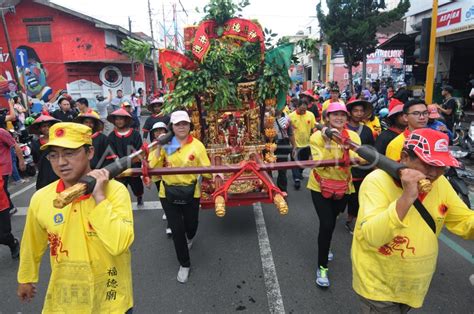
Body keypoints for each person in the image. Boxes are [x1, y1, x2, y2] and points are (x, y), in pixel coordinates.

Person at [352, 128, 474, 312]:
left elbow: (464, 221)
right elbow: (372, 235)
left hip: (414, 285)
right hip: (378, 284)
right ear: (405, 157)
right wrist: (407, 197)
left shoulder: (440, 183)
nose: (434, 173)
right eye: (428, 164)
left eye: (441, 166)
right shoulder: (376, 181)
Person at [17, 122, 134, 313]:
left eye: (69, 153)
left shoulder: (115, 191)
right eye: (54, 155)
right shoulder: (41, 198)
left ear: (89, 152)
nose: (61, 162)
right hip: (67, 302)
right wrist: (26, 278)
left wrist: (99, 197)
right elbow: (31, 243)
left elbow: (119, 243)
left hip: (111, 301)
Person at [149, 110, 211, 283]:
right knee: (177, 230)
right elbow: (152, 165)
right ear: (172, 127)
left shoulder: (197, 145)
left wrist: (217, 175)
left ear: (190, 125)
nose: (182, 126)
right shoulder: (169, 144)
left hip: (191, 192)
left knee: (191, 226)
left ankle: (190, 238)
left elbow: (207, 170)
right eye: (178, 124)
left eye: (185, 123)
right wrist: (157, 148)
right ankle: (184, 264)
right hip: (168, 193)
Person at [307, 102, 361, 288]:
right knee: (327, 223)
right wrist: (329, 143)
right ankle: (322, 267)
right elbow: (320, 162)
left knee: (335, 216)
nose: (339, 118)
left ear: (347, 118)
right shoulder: (316, 136)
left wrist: (348, 154)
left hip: (344, 186)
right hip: (319, 185)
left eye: (343, 115)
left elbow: (358, 159)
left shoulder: (352, 136)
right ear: (327, 118)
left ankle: (327, 243)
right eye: (334, 114)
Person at [345, 99, 374, 234]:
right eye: (355, 110)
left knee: (357, 197)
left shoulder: (368, 131)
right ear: (349, 113)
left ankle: (353, 219)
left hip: (362, 170)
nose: (358, 113)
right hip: (344, 169)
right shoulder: (341, 128)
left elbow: (372, 150)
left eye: (361, 111)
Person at [107, 108, 144, 206]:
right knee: (120, 186)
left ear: (126, 120)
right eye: (117, 119)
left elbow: (139, 149)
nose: (119, 121)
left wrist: (133, 161)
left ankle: (139, 196)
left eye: (121, 119)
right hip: (119, 166)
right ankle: (123, 202)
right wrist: (118, 162)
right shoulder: (111, 136)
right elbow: (111, 150)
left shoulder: (135, 134)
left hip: (133, 165)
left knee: (137, 185)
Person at [147, 121, 172, 236]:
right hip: (158, 176)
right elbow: (151, 164)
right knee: (163, 196)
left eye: (162, 130)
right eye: (156, 131)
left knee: (170, 197)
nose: (159, 133)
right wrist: (158, 147)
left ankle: (171, 222)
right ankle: (167, 212)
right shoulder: (152, 146)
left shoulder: (173, 143)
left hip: (170, 176)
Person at [288, 99, 316, 190]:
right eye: (301, 110)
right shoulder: (291, 116)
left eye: (305, 110)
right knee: (295, 162)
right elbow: (288, 131)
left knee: (303, 162)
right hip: (295, 144)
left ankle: (299, 173)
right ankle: (296, 179)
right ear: (297, 107)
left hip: (307, 144)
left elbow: (313, 129)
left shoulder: (310, 115)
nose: (303, 111)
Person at [29, 115, 61, 190]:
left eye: (49, 126)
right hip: (45, 175)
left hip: (60, 172)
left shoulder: (60, 141)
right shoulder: (36, 144)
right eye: (44, 126)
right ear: (40, 129)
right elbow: (36, 161)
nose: (47, 128)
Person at [273, 108, 295, 193]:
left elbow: (290, 134)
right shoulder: (266, 116)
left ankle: (282, 189)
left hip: (282, 145)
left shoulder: (287, 118)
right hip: (269, 144)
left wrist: (294, 147)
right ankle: (268, 187)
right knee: (266, 168)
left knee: (282, 169)